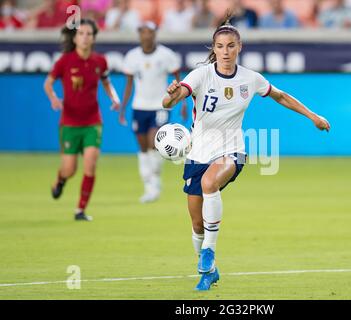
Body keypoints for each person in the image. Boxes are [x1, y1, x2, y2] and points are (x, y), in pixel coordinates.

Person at [162, 16, 331, 291]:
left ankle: (209, 252)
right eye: (220, 46)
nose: (225, 51)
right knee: (196, 223)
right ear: (214, 49)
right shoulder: (201, 74)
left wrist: (313, 116)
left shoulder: (250, 78)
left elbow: (281, 96)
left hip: (233, 149)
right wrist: (169, 95)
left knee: (209, 183)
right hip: (199, 152)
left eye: (230, 46)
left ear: (239, 47)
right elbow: (172, 98)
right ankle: (209, 271)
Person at [44, 19, 121, 221]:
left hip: (92, 122)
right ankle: (60, 180)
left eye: (89, 34)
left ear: (94, 38)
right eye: (81, 34)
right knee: (69, 169)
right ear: (75, 38)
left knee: (90, 165)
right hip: (69, 123)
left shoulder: (100, 61)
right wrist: (53, 98)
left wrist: (114, 98)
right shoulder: (64, 61)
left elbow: (106, 82)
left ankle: (80, 210)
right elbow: (48, 84)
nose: (85, 37)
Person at [120, 21, 187, 203]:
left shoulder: (166, 55)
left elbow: (177, 81)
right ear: (139, 34)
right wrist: (123, 107)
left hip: (160, 105)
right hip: (139, 106)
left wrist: (182, 103)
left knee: (154, 143)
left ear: (155, 34)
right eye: (143, 32)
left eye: (150, 32)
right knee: (142, 148)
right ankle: (148, 185)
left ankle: (155, 180)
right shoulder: (132, 57)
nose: (146, 35)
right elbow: (128, 85)